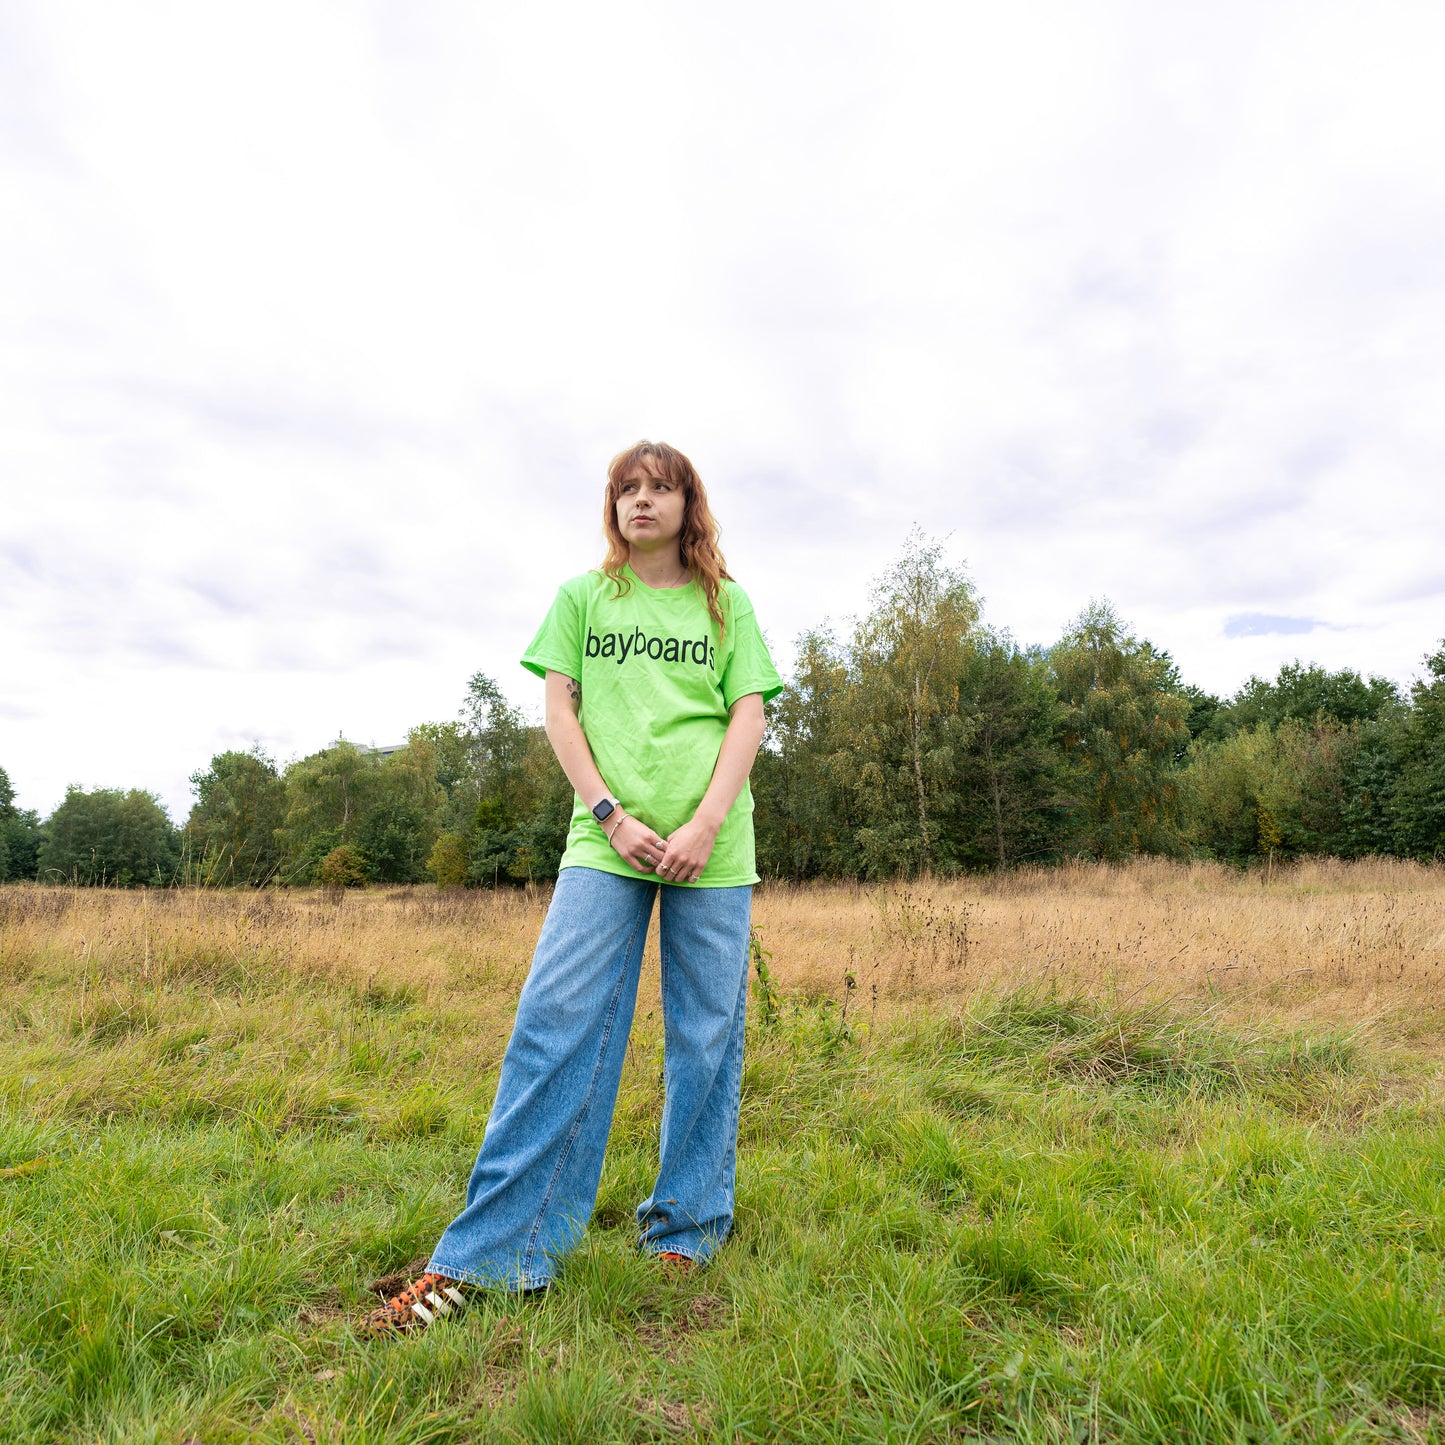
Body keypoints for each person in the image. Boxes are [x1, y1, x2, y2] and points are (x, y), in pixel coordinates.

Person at [360, 440, 782, 1336]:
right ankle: (499, 1252)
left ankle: (686, 1227)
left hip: (712, 843)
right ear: (611, 506)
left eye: (659, 487)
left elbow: (748, 710)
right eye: (627, 488)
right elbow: (560, 708)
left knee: (706, 1034)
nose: (641, 500)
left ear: (687, 503)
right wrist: (610, 812)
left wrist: (704, 822)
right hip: (606, 840)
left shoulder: (727, 603)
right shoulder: (583, 599)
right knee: (556, 1025)